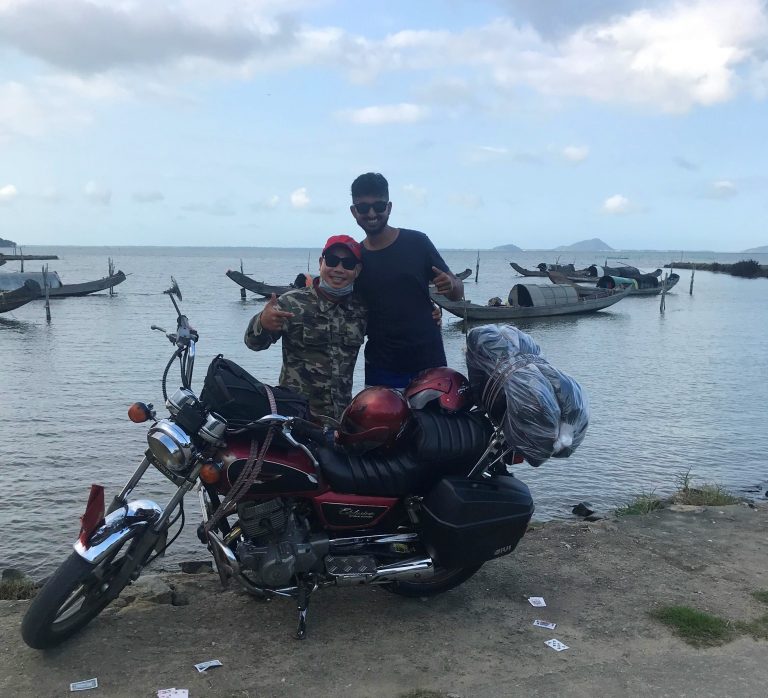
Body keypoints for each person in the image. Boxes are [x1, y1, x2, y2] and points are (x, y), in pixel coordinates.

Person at [349, 172, 463, 389]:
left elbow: (457, 291)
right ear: (354, 212)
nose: (371, 213)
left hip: (429, 364)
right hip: (381, 370)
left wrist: (450, 284)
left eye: (379, 206)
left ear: (389, 207)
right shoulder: (356, 258)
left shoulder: (417, 243)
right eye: (363, 208)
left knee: (436, 424)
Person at [244, 235, 366, 422]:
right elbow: (253, 343)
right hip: (295, 418)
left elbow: (394, 335)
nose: (339, 269)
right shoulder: (291, 302)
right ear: (321, 263)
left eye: (348, 264)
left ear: (357, 270)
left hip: (340, 421)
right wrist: (262, 322)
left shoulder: (361, 310)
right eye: (332, 261)